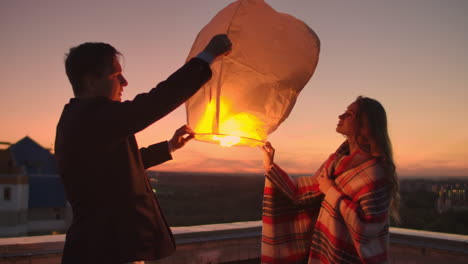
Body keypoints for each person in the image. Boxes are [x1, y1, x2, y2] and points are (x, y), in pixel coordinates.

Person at [55, 35, 231, 264]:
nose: (125, 82)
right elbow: (155, 102)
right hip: (105, 251)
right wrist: (207, 57)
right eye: (116, 75)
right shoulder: (91, 118)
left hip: (108, 248)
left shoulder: (84, 119)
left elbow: (122, 164)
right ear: (91, 81)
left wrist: (170, 146)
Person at [261, 96, 399, 264]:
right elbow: (305, 192)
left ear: (365, 126)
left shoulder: (376, 172)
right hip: (329, 254)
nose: (340, 116)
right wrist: (271, 166)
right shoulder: (335, 163)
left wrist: (331, 192)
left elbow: (367, 228)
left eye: (349, 114)